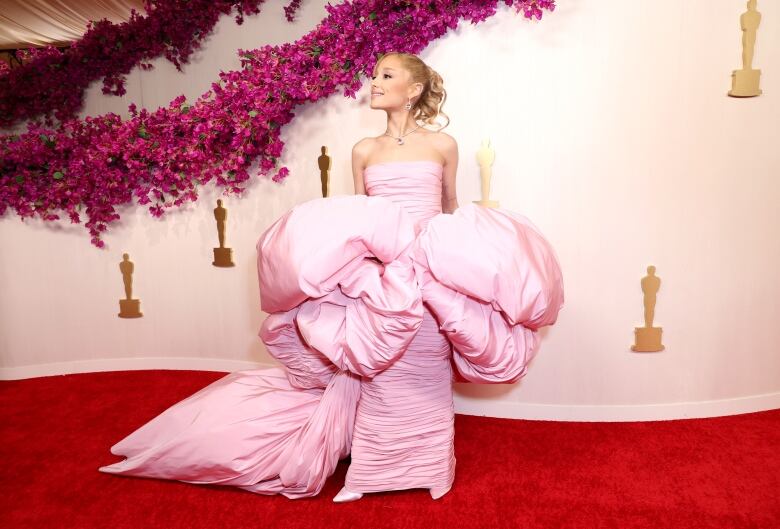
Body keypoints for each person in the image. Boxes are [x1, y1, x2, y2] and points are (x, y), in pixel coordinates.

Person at [98, 51, 564, 502]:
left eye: (386, 76)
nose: (374, 84)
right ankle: (370, 473)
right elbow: (361, 215)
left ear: (414, 89)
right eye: (374, 76)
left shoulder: (443, 145)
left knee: (426, 372)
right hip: (384, 276)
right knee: (380, 369)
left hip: (431, 272)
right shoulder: (363, 150)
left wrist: (470, 256)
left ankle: (432, 469)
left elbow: (449, 206)